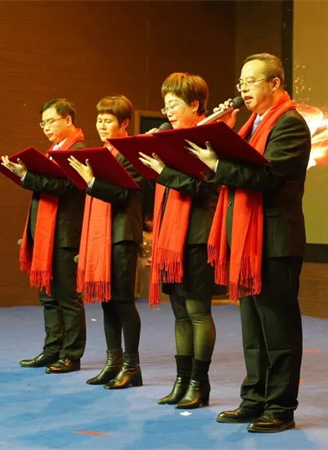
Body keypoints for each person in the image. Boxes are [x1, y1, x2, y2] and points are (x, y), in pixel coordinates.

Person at [187, 53, 311, 432]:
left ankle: (280, 407)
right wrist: (218, 135)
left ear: (275, 83)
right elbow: (238, 169)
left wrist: (217, 164)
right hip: (248, 241)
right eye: (240, 82)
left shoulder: (289, 124)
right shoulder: (250, 126)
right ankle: (254, 399)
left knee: (278, 329)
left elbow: (266, 177)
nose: (243, 89)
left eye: (251, 81)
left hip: (274, 241)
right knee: (254, 329)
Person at [138, 73, 220, 409]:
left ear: (195, 105)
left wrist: (164, 171)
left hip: (198, 236)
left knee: (198, 312)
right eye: (166, 105)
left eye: (174, 104)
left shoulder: (209, 139)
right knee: (180, 314)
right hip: (171, 238)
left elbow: (205, 187)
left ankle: (199, 384)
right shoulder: (169, 139)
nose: (168, 111)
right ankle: (182, 381)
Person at [1, 98, 87, 374]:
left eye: (51, 121)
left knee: (68, 298)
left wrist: (27, 176)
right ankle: (52, 350)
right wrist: (23, 175)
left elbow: (64, 186)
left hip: (64, 235)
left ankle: (71, 355)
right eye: (43, 123)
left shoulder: (79, 150)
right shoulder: (52, 152)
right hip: (44, 234)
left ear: (68, 120)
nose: (46, 128)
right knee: (48, 297)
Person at [67, 95, 145, 389]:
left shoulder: (130, 153)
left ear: (124, 123)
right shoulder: (103, 153)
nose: (101, 125)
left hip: (122, 236)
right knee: (107, 303)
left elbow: (123, 195)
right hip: (102, 237)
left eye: (108, 120)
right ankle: (113, 364)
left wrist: (91, 181)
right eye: (99, 119)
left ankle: (132, 367)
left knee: (123, 302)